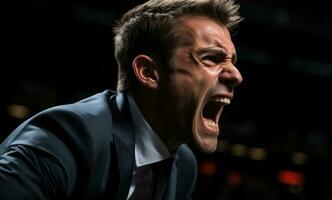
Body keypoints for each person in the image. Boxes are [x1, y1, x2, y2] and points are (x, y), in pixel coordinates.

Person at [0, 0, 243, 199]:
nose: (236, 75)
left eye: (232, 61)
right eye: (211, 58)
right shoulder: (68, 136)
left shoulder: (184, 166)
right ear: (148, 72)